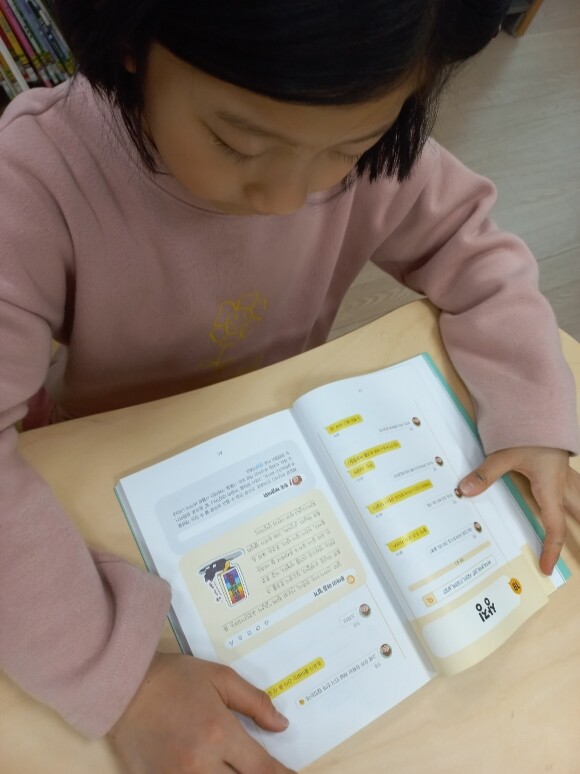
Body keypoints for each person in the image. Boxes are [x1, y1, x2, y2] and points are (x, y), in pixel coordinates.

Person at [1, 1, 579, 771]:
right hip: (104, 490)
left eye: (349, 150)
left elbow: (475, 250)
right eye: (238, 143)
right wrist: (122, 679)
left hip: (275, 470)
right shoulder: (37, 176)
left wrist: (533, 411)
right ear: (132, 43)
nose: (285, 197)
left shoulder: (366, 134)